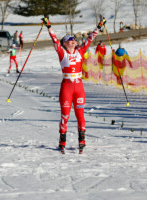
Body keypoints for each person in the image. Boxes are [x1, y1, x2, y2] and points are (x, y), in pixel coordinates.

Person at [41, 16, 102, 152]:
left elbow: (90, 39)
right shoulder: (62, 53)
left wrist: (98, 27)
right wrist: (48, 25)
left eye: (74, 39)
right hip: (67, 87)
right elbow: (54, 40)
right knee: (65, 116)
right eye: (70, 40)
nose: (74, 41)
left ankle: (82, 140)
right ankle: (62, 141)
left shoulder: (80, 51)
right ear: (65, 43)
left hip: (79, 87)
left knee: (80, 115)